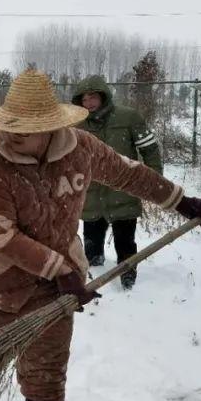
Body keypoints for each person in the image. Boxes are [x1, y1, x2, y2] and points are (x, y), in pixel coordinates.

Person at [0, 70, 201, 401]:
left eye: (22, 131)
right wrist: (60, 268)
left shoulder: (80, 149)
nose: (10, 137)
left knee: (46, 378)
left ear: (50, 128)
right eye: (8, 128)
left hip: (52, 294)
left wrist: (184, 203)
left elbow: (130, 173)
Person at [71, 75, 162, 289]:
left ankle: (128, 281)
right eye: (83, 100)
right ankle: (96, 282)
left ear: (103, 96)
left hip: (124, 191)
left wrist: (153, 182)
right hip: (91, 194)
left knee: (125, 242)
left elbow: (149, 150)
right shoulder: (76, 124)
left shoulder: (128, 117)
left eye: (92, 98)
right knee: (92, 242)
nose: (88, 103)